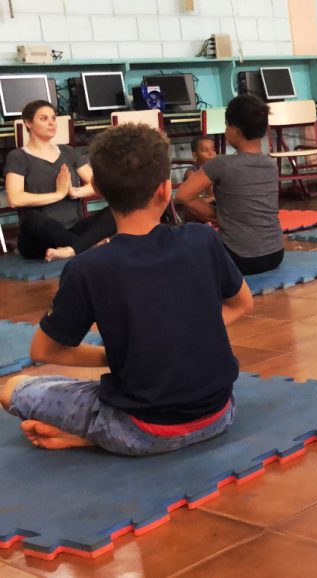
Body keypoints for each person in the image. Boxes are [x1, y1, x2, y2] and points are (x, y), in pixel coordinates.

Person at [0, 124, 253, 456]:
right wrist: (176, 340)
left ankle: (100, 433)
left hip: (141, 430)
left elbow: (43, 352)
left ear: (100, 191)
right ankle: (95, 433)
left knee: (13, 388)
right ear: (165, 189)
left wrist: (118, 356)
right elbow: (241, 304)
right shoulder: (202, 238)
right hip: (219, 415)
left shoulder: (88, 267)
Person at [176, 95, 283, 275]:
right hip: (275, 255)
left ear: (236, 130)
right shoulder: (271, 164)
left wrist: (217, 216)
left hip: (239, 259)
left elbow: (182, 196)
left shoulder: (221, 164)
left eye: (226, 125)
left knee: (186, 239)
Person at [4, 100, 116, 262]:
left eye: (53, 118)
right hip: (38, 239)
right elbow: (15, 199)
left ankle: (72, 248)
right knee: (32, 218)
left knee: (117, 209)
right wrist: (58, 194)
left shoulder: (68, 152)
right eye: (44, 119)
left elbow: (99, 184)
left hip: (73, 229)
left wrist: (76, 191)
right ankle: (86, 246)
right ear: (28, 123)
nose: (51, 123)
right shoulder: (18, 157)